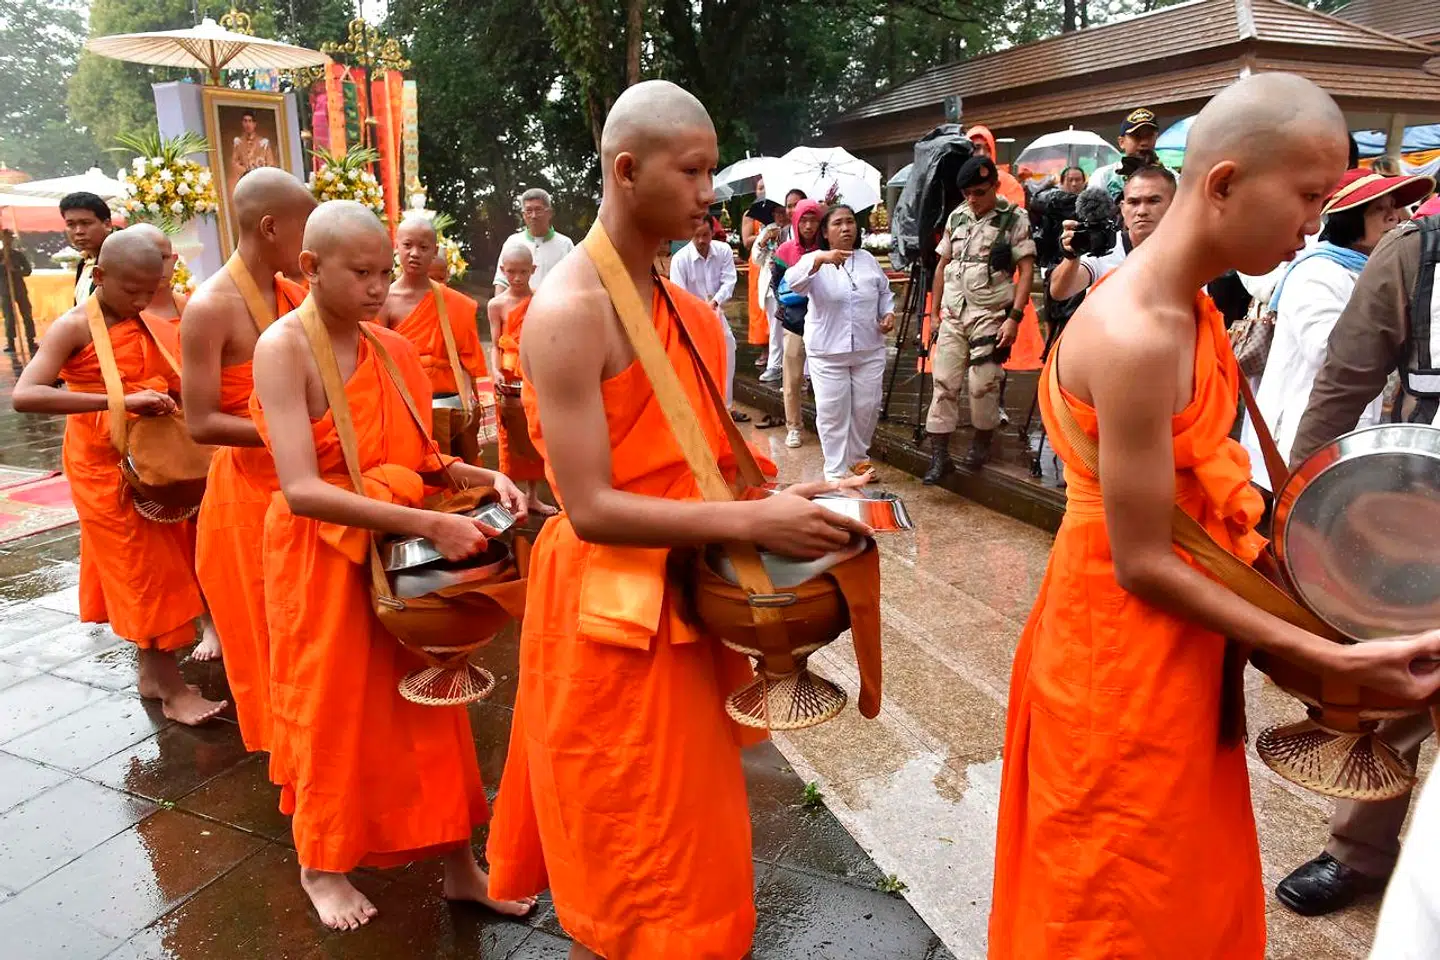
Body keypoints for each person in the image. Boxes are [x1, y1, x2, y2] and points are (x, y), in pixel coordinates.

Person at [988, 72, 1440, 960]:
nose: (1318, 223)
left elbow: (1212, 493)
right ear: (1226, 182)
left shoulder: (1193, 309)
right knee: (1118, 890)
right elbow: (1143, 559)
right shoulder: (1139, 330)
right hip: (1115, 656)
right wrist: (1316, 654)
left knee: (1179, 878)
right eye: (1309, 197)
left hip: (1182, 643)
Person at [484, 79, 871, 960]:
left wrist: (779, 501)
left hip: (684, 585)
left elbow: (700, 463)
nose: (710, 193)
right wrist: (750, 527)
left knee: (691, 819)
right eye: (693, 172)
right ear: (626, 171)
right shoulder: (571, 309)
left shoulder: (681, 306)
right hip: (609, 607)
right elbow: (586, 507)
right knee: (629, 826)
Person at [249, 200, 533, 930]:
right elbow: (303, 490)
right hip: (321, 559)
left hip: (399, 551)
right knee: (332, 713)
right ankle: (321, 863)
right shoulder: (284, 349)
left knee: (431, 708)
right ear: (310, 268)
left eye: (386, 272)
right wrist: (430, 521)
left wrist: (477, 477)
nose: (380, 288)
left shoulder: (391, 348)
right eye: (362, 273)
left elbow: (419, 456)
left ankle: (461, 868)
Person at [1272, 179, 1440, 919]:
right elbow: (1343, 383)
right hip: (1422, 511)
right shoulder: (1415, 252)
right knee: (1406, 679)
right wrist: (1301, 521)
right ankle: (1360, 851)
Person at [12, 231, 226, 725]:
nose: (139, 301)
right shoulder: (74, 328)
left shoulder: (145, 320)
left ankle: (153, 676)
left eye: (148, 290)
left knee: (153, 565)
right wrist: (117, 401)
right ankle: (174, 693)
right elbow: (27, 394)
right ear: (100, 276)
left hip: (151, 456)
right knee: (143, 571)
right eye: (130, 290)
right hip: (100, 461)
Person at [180, 167, 313, 748]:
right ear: (270, 226)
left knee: (309, 634)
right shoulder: (211, 307)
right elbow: (201, 420)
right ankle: (289, 762)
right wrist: (289, 431)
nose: (314, 242)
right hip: (247, 500)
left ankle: (317, 749)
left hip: (305, 485)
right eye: (306, 228)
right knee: (265, 635)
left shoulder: (293, 292)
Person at [1241, 169, 1433, 492]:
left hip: (1348, 442)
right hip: (1296, 438)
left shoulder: (1371, 270)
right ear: (1349, 219)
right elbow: (1328, 350)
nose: (1393, 216)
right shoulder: (1317, 273)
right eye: (1378, 208)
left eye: (1393, 206)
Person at [925, 155, 1035, 478]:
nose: (972, 199)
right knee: (943, 381)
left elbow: (1027, 271)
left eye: (979, 192)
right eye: (967, 193)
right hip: (954, 313)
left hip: (990, 312)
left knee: (982, 383)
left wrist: (1014, 318)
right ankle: (939, 456)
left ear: (994, 187)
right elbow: (942, 266)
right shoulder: (957, 217)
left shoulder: (1014, 218)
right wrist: (934, 314)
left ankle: (982, 438)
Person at [783, 204, 894, 480]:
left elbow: (884, 291)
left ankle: (858, 459)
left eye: (850, 222)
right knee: (833, 411)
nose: (846, 228)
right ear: (825, 231)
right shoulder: (814, 261)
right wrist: (819, 258)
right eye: (838, 223)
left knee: (866, 408)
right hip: (828, 351)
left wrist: (888, 313)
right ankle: (834, 470)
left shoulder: (868, 259)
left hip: (869, 348)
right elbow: (791, 282)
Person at [380, 216, 489, 435]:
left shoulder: (454, 302)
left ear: (434, 250)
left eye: (423, 247)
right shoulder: (384, 299)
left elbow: (467, 359)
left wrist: (468, 402)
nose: (415, 254)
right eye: (407, 245)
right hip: (403, 402)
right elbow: (378, 360)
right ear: (396, 246)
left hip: (449, 403)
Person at [488, 241, 556, 517]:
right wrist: (493, 371)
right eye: (511, 272)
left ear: (533, 270)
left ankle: (532, 496)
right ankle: (510, 497)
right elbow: (495, 343)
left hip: (534, 375)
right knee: (509, 440)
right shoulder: (497, 305)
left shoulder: (543, 300)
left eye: (523, 272)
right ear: (503, 270)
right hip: (507, 377)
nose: (516, 278)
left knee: (534, 435)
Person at [1048, 164, 1177, 301]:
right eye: (1133, 202)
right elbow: (1059, 292)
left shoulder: (1191, 253)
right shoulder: (1106, 247)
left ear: (1174, 204)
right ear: (1122, 208)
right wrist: (1071, 256)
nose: (1142, 211)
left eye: (1153, 201)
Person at [668, 216, 747, 422]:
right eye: (697, 236)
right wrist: (699, 311)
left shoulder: (723, 251)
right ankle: (700, 410)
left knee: (728, 349)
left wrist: (715, 302)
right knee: (695, 362)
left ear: (712, 232)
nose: (702, 240)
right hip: (690, 318)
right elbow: (679, 295)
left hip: (716, 312)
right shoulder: (680, 259)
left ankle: (726, 408)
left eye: (706, 235)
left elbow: (729, 280)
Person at [773, 198, 824, 449]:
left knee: (825, 376)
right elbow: (777, 284)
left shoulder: (826, 248)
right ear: (796, 221)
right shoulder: (785, 251)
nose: (809, 225)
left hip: (824, 321)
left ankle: (828, 426)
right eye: (804, 219)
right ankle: (793, 426)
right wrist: (785, 311)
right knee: (792, 378)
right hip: (795, 322)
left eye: (814, 219)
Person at [492, 188, 574, 295]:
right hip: (519, 309)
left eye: (538, 210)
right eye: (529, 211)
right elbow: (501, 281)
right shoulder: (512, 242)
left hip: (553, 308)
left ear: (549, 213)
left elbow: (574, 283)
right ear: (523, 215)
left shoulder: (565, 244)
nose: (534, 216)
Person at [750, 202, 791, 395]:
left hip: (789, 284)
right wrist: (763, 241)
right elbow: (756, 259)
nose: (780, 216)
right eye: (777, 213)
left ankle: (792, 366)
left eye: (783, 212)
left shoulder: (794, 229)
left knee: (791, 327)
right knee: (774, 327)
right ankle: (775, 365)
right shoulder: (768, 230)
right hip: (770, 285)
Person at [1089, 107, 1161, 200]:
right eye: (1137, 136)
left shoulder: (1171, 177)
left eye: (1149, 136)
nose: (1144, 143)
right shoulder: (1104, 176)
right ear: (1121, 142)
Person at [61, 192, 113, 305]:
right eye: (71, 225)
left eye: (86, 223)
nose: (78, 231)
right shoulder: (83, 263)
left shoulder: (118, 261)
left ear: (107, 225)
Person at [967, 125, 1026, 208]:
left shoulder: (1009, 183)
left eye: (987, 148)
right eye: (976, 148)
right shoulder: (956, 182)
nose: (982, 153)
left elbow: (1016, 215)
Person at [1, 228, 36, 354]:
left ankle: (31, 340)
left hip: (20, 289)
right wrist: (2, 265)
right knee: (9, 317)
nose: (7, 240)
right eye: (5, 237)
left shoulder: (18, 255)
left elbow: (27, 271)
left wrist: (14, 270)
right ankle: (11, 342)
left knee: (27, 315)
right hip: (5, 291)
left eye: (10, 237)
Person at [739, 174, 780, 249]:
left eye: (766, 188)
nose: (763, 191)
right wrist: (766, 235)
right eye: (760, 188)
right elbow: (747, 243)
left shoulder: (779, 211)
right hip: (757, 256)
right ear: (756, 192)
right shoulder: (749, 215)